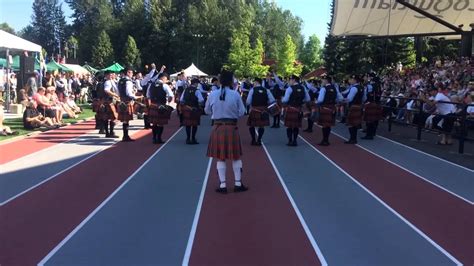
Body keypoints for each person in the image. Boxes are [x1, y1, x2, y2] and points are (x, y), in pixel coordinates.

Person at [205, 70, 247, 194]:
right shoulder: (235, 95)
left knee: (220, 158)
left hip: (218, 128)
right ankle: (238, 184)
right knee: (236, 157)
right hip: (231, 127)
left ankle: (223, 186)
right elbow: (242, 112)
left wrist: (217, 113)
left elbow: (207, 110)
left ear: (220, 81)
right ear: (231, 81)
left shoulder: (212, 94)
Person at [281, 75, 310, 146]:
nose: (289, 81)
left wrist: (282, 99)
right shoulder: (303, 88)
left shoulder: (290, 88)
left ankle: (290, 141)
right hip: (299, 109)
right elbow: (308, 99)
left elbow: (285, 100)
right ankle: (295, 141)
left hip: (291, 109)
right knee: (296, 126)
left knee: (289, 126)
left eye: (290, 80)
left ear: (294, 80)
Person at [246, 77, 275, 145]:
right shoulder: (266, 90)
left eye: (254, 82)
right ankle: (259, 140)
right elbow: (272, 100)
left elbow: (247, 102)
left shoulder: (252, 90)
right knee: (261, 126)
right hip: (263, 110)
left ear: (256, 82)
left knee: (252, 125)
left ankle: (253, 140)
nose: (253, 83)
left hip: (254, 109)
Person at [147, 72, 174, 144]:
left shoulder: (151, 85)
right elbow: (171, 95)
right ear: (163, 78)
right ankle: (159, 138)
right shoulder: (164, 85)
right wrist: (168, 102)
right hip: (161, 106)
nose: (166, 80)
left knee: (154, 123)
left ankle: (154, 138)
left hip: (153, 106)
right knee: (160, 123)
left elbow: (148, 95)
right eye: (166, 79)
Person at [117, 67, 142, 142]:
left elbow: (118, 91)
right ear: (128, 72)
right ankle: (125, 136)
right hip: (127, 101)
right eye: (131, 72)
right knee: (126, 120)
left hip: (122, 101)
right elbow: (129, 93)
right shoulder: (128, 81)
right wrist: (136, 97)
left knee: (125, 120)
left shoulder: (120, 80)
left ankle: (125, 136)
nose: (132, 74)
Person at [316, 75, 342, 146]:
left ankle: (324, 140)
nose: (322, 82)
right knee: (328, 125)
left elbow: (320, 100)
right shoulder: (335, 88)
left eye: (322, 80)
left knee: (324, 125)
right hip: (332, 108)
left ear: (325, 80)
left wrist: (316, 102)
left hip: (325, 108)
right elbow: (339, 98)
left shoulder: (323, 89)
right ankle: (327, 140)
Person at [180, 78, 204, 144]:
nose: (198, 85)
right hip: (194, 109)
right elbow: (201, 100)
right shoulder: (197, 90)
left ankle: (188, 139)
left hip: (187, 109)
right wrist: (200, 105)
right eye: (197, 83)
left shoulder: (186, 89)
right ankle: (193, 139)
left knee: (188, 125)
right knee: (194, 124)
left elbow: (181, 100)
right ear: (195, 83)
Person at [344, 74, 366, 144]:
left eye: (351, 79)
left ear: (354, 80)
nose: (349, 80)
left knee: (351, 123)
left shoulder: (354, 88)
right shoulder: (362, 87)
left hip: (353, 107)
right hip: (359, 106)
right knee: (355, 123)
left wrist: (343, 100)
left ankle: (352, 139)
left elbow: (349, 99)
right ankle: (354, 138)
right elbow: (364, 98)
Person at [362, 73, 383, 140]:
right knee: (375, 119)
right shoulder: (379, 86)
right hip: (377, 103)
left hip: (371, 103)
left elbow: (367, 95)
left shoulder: (370, 86)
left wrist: (365, 102)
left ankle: (369, 134)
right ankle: (373, 132)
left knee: (369, 120)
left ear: (371, 78)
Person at [103, 71, 120, 138]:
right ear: (106, 76)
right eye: (109, 75)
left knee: (107, 117)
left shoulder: (112, 81)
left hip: (109, 101)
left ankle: (108, 133)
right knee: (112, 117)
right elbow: (106, 90)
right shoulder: (107, 82)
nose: (111, 76)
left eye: (112, 74)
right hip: (109, 101)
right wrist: (115, 95)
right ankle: (110, 132)